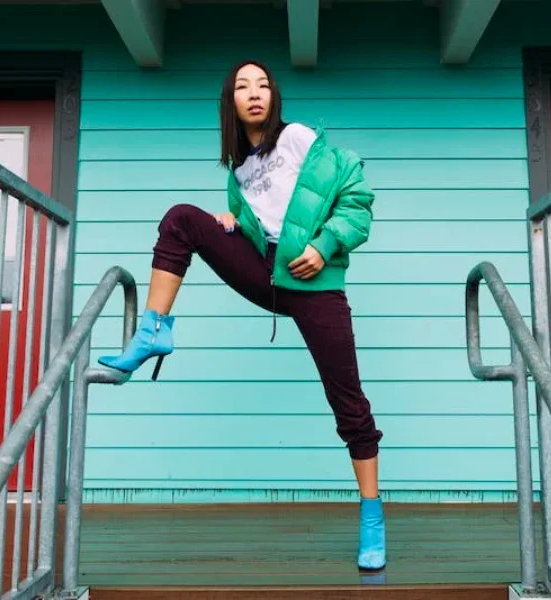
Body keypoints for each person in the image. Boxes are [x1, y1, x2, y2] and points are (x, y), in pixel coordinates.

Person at [97, 59, 386, 571]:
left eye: (263, 85)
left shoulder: (298, 139)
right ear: (229, 101)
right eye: (242, 87)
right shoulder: (237, 169)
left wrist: (325, 244)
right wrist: (235, 220)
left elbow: (357, 197)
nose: (254, 93)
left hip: (314, 281)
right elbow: (262, 223)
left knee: (349, 402)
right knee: (183, 220)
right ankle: (153, 332)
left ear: (274, 96)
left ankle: (371, 515)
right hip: (269, 276)